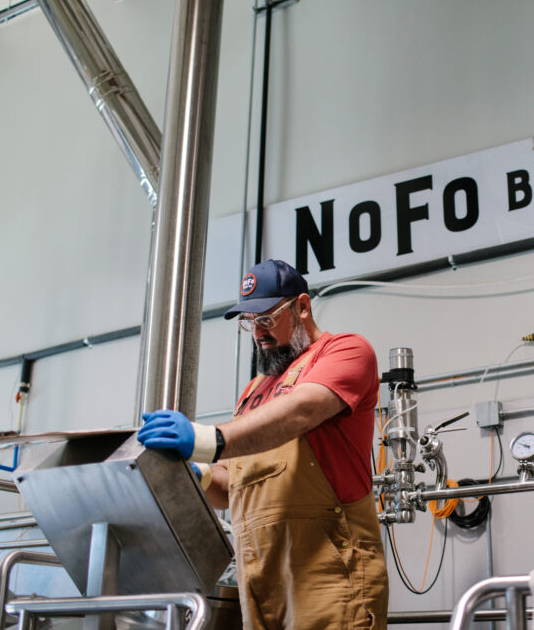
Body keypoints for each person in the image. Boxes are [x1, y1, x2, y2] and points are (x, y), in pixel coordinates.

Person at [138, 259, 388, 630]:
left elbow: (301, 411)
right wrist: (196, 478)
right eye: (249, 322)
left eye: (266, 319)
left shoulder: (345, 351)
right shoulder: (255, 389)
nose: (258, 332)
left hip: (329, 577)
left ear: (302, 307)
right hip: (261, 581)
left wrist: (206, 439)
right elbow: (234, 486)